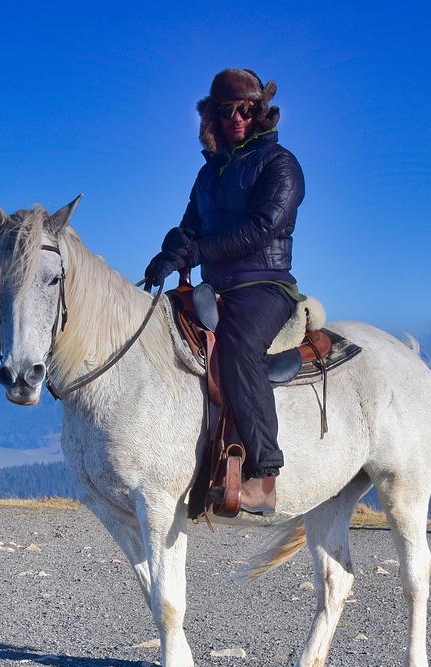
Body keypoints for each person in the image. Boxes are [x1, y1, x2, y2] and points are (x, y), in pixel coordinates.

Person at [145, 68, 305, 516]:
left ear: (259, 114)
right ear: (212, 117)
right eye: (226, 110)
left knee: (236, 346)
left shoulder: (281, 165)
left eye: (245, 109)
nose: (236, 117)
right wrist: (168, 253)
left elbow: (260, 229)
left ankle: (264, 474)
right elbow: (190, 226)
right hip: (215, 286)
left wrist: (191, 254)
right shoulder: (207, 173)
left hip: (265, 284)